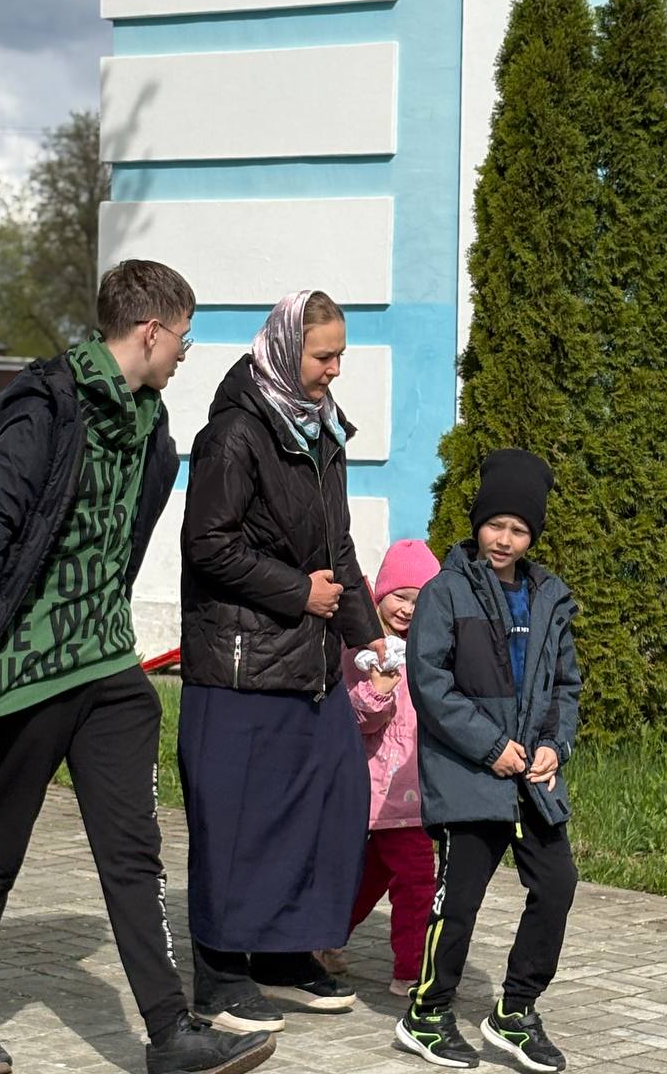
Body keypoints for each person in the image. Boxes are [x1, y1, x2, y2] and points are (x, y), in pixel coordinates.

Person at [0, 260, 274, 1074]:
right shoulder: (45, 408)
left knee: (134, 854)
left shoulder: (148, 423)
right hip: (30, 668)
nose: (185, 353)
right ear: (150, 331)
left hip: (107, 666)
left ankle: (169, 1034)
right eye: (183, 338)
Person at [179, 289, 385, 1036]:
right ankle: (219, 975)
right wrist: (300, 593)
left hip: (309, 663)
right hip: (239, 666)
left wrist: (368, 636)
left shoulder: (320, 429)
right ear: (286, 349)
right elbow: (207, 544)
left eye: (340, 356)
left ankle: (282, 951)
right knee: (239, 824)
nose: (334, 370)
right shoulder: (234, 433)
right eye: (323, 356)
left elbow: (338, 546)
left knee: (329, 803)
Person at [397, 449, 581, 1072]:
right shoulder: (445, 593)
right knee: (459, 901)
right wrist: (491, 746)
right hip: (468, 775)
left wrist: (554, 744)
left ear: (533, 536)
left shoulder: (549, 597)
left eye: (519, 529)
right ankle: (426, 1015)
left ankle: (515, 1012)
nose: (504, 539)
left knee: (557, 884)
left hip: (534, 780)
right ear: (478, 523)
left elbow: (564, 687)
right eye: (495, 524)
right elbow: (431, 685)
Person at [333, 539, 440, 996]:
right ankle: (412, 971)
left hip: (415, 788)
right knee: (416, 882)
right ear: (380, 593)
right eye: (400, 596)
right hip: (380, 787)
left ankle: (323, 937)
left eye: (420, 600)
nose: (408, 610)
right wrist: (378, 688)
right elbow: (354, 718)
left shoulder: (430, 649)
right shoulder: (364, 650)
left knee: (373, 875)